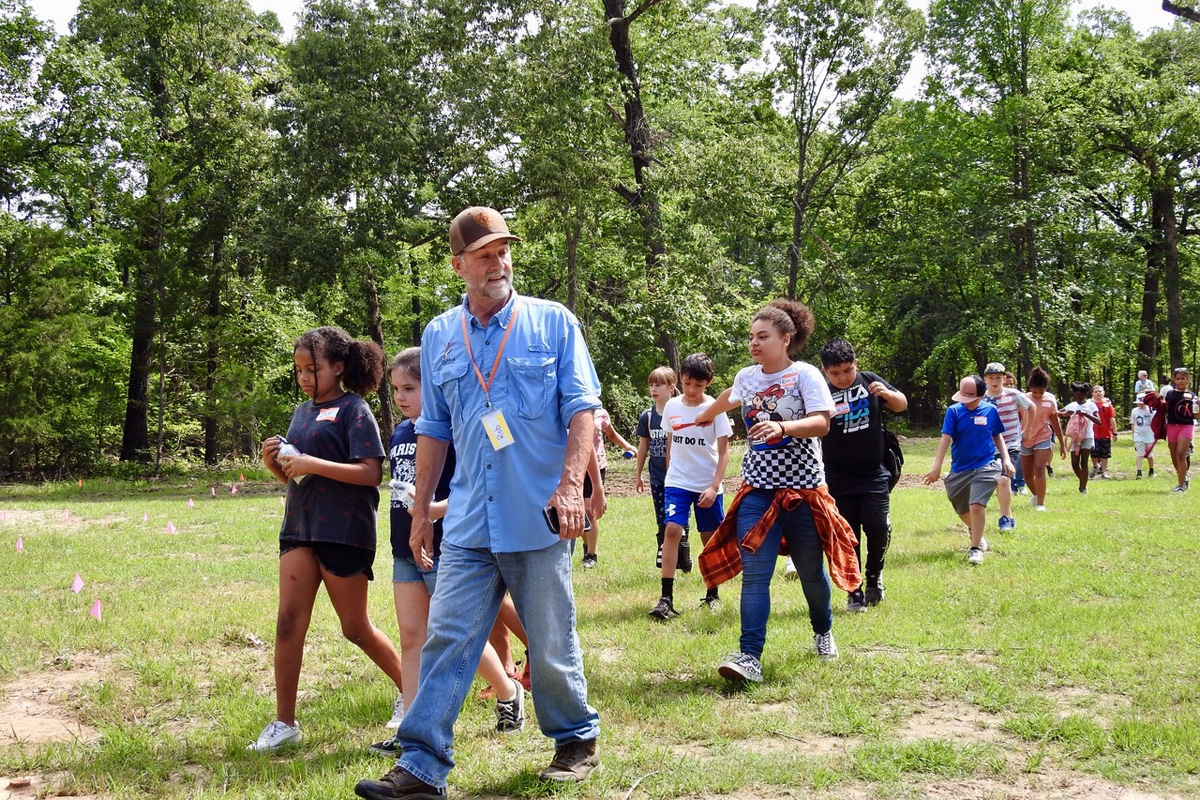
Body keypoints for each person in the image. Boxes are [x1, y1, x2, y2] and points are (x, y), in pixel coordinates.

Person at [354, 207, 601, 800]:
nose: (499, 263)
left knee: (548, 637)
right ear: (459, 264)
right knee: (447, 637)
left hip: (537, 513)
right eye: (485, 254)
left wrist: (571, 487)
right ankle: (421, 766)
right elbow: (434, 428)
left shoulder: (552, 323)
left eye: (504, 251)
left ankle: (574, 739)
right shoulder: (440, 336)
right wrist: (419, 512)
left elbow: (582, 410)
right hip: (466, 518)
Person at [252, 327, 403, 752]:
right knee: (287, 623)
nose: (303, 377)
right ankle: (284, 723)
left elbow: (371, 473)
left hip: (344, 530)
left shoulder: (356, 411)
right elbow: (296, 475)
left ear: (337, 366)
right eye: (298, 369)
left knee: (354, 628)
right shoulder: (301, 412)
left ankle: (411, 690)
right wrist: (275, 464)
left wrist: (310, 461)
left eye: (312, 368)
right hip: (300, 527)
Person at [369, 348, 525, 759]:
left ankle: (509, 691)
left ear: (434, 387)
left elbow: (475, 488)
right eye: (396, 389)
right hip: (405, 547)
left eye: (411, 388)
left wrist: (435, 510)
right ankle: (411, 731)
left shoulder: (452, 431)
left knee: (453, 635)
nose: (401, 397)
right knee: (412, 638)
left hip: (446, 549)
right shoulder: (401, 431)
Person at [697, 300, 857, 681]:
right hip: (757, 489)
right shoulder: (746, 377)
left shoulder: (805, 375)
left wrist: (784, 428)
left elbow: (822, 423)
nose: (754, 343)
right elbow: (727, 399)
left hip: (803, 490)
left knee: (808, 572)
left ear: (786, 339)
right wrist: (697, 416)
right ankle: (748, 656)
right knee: (755, 574)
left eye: (762, 336)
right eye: (751, 337)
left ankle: (823, 632)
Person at [818, 338, 907, 611]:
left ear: (856, 364)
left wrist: (888, 395)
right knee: (848, 536)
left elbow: (902, 404)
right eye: (835, 373)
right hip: (837, 476)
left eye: (847, 370)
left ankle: (874, 576)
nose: (843, 377)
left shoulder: (869, 381)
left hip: (873, 473)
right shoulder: (819, 391)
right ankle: (854, 590)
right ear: (824, 372)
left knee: (878, 526)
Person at [649, 353, 731, 619]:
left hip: (707, 484)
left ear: (709, 382)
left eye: (698, 385)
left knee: (709, 537)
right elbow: (671, 441)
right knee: (672, 529)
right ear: (680, 379)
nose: (692, 390)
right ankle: (666, 598)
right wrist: (671, 473)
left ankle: (712, 593)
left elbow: (724, 451)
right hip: (678, 482)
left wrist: (714, 486)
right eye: (687, 383)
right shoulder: (672, 407)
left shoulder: (715, 408)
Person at [923, 375, 1014, 565]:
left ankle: (974, 549)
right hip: (960, 469)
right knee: (962, 509)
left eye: (971, 398)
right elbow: (945, 439)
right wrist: (936, 467)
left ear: (981, 395)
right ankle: (976, 531)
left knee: (976, 505)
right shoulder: (954, 412)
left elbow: (997, 435)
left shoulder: (990, 411)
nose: (967, 403)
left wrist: (1006, 459)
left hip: (986, 466)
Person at [635, 367, 691, 573]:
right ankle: (663, 549)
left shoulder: (680, 412)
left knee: (679, 516)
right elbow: (643, 446)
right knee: (662, 517)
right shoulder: (647, 416)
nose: (653, 389)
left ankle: (684, 552)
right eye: (651, 385)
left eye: (658, 385)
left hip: (679, 476)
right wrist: (639, 474)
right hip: (658, 477)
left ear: (671, 387)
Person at [579, 407, 634, 569]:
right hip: (577, 465)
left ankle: (591, 554)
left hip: (597, 466)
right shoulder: (573, 410)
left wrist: (627, 446)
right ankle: (586, 545)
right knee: (580, 511)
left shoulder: (601, 413)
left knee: (590, 509)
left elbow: (611, 434)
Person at [981, 362, 1032, 532]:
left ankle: (1006, 518)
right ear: (985, 379)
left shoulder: (1013, 395)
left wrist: (1026, 430)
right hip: (988, 446)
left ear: (1004, 378)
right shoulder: (981, 398)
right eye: (991, 378)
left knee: (1004, 479)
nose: (995, 381)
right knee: (991, 482)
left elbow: (1031, 408)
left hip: (1010, 444)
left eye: (998, 377)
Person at [1020, 367, 1066, 511]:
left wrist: (1062, 443)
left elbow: (1055, 421)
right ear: (1030, 389)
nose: (1038, 395)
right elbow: (1016, 418)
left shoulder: (1050, 399)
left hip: (1043, 436)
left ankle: (1041, 503)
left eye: (1041, 392)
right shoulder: (1023, 399)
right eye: (1035, 392)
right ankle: (1035, 493)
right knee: (1027, 475)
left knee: (1039, 469)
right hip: (1025, 438)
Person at [1161, 367, 1197, 492]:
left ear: (1188, 380)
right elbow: (1166, 410)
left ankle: (1180, 486)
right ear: (1174, 380)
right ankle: (1184, 477)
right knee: (1174, 455)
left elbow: (1195, 415)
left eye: (1183, 378)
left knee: (1181, 454)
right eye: (1177, 379)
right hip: (1172, 426)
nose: (1180, 381)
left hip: (1186, 426)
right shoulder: (1170, 394)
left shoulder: (1192, 396)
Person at [1061, 382, 1100, 495]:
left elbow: (1099, 421)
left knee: (1084, 462)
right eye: (1076, 396)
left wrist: (1085, 414)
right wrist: (1064, 414)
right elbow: (1058, 413)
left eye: (1080, 397)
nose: (1078, 399)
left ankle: (1082, 487)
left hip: (1087, 436)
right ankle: (1083, 479)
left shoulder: (1091, 405)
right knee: (1074, 463)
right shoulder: (1072, 405)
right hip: (1075, 437)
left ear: (1085, 395)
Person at [1001, 371, 1028, 494]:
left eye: (1011, 384)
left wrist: (1025, 429)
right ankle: (1011, 487)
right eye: (1006, 384)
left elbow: (1027, 412)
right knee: (1005, 463)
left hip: (1015, 436)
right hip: (1000, 437)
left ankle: (1021, 483)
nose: (1009, 386)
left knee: (1018, 460)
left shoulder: (1016, 397)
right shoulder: (996, 399)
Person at [1089, 385, 1118, 479]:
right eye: (1096, 391)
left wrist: (1115, 432)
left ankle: (1104, 472)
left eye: (1100, 391)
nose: (1098, 393)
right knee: (1094, 453)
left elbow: (1112, 419)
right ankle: (1095, 466)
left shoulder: (1107, 405)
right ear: (1092, 394)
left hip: (1105, 433)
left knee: (1105, 454)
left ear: (1103, 393)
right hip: (1093, 433)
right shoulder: (1089, 405)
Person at [1130, 393, 1156, 479]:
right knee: (1140, 454)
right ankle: (1139, 472)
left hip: (1150, 436)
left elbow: (1155, 422)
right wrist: (1133, 434)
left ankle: (1151, 470)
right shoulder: (1134, 411)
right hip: (1138, 435)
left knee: (1149, 455)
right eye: (1139, 403)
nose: (1141, 405)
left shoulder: (1151, 410)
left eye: (1143, 403)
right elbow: (1133, 423)